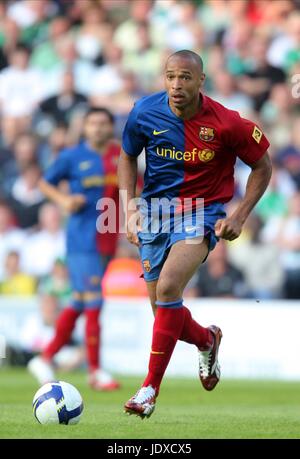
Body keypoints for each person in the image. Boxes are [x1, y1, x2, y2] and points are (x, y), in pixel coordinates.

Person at [118, 49, 272, 418]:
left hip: (202, 213)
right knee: (163, 313)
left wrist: (240, 214)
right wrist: (129, 206)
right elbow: (127, 155)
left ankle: (148, 390)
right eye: (170, 76)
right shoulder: (143, 111)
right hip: (155, 214)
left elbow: (262, 165)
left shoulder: (227, 122)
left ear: (201, 80)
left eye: (184, 77)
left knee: (170, 288)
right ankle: (207, 339)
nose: (176, 84)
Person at [28, 107, 120, 391]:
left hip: (109, 238)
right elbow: (44, 183)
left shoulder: (120, 154)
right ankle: (95, 371)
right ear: (85, 127)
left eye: (103, 123)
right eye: (92, 123)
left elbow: (133, 189)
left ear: (110, 126)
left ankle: (45, 358)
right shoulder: (72, 156)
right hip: (82, 240)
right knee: (95, 300)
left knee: (80, 301)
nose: (97, 128)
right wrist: (64, 201)